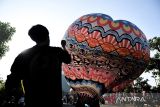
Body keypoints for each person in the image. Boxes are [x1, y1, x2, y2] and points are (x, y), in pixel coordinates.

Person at [5, 24, 71, 107]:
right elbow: (68, 59)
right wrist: (64, 46)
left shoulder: (23, 55)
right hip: (53, 102)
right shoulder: (57, 52)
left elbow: (13, 79)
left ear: (33, 38)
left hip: (32, 102)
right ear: (48, 36)